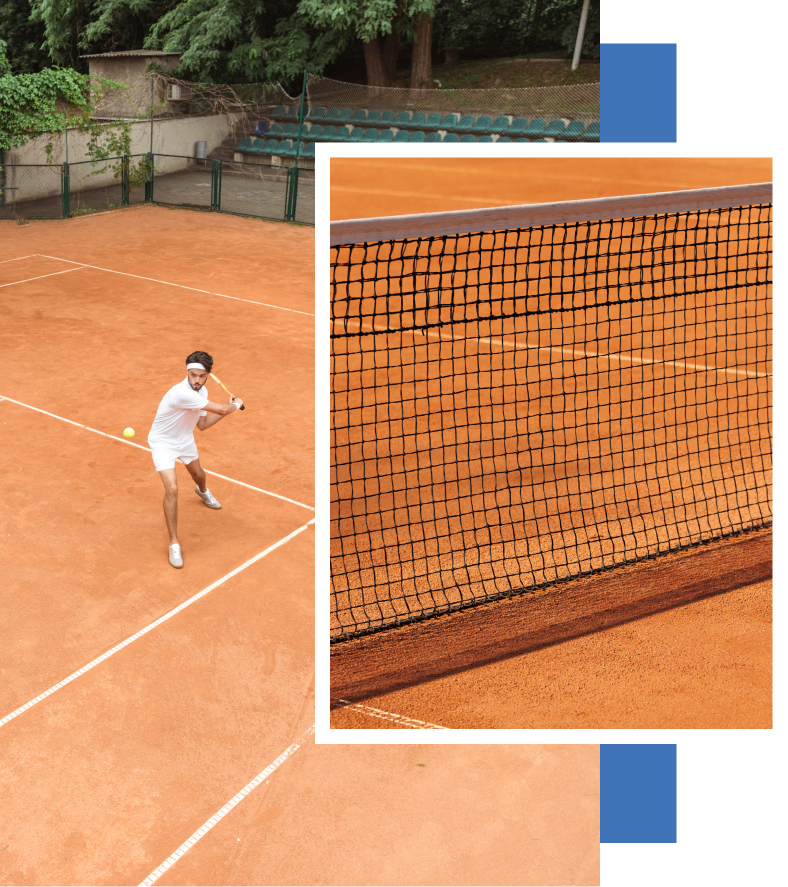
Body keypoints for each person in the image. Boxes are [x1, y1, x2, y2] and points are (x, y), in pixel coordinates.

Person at [148, 351, 243, 568]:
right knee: (172, 489)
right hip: (163, 442)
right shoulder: (180, 393)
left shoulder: (203, 391)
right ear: (187, 373)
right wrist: (236, 405)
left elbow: (202, 425)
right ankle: (174, 544)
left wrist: (227, 410)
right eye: (192, 375)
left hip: (185, 439)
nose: (196, 380)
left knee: (199, 476)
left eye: (201, 376)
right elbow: (220, 408)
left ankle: (202, 491)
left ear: (208, 375)